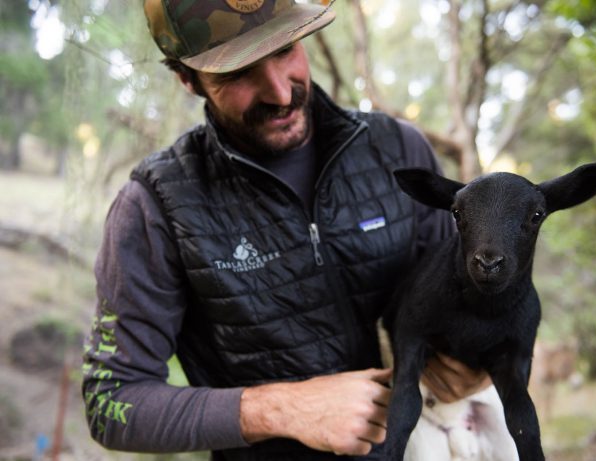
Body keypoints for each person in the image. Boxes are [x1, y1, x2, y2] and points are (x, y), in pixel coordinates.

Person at [81, 1, 491, 460]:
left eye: (286, 49)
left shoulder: (399, 150)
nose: (280, 92)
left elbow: (468, 302)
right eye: (238, 73)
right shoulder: (155, 207)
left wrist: (481, 357)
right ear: (188, 78)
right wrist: (280, 409)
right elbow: (110, 400)